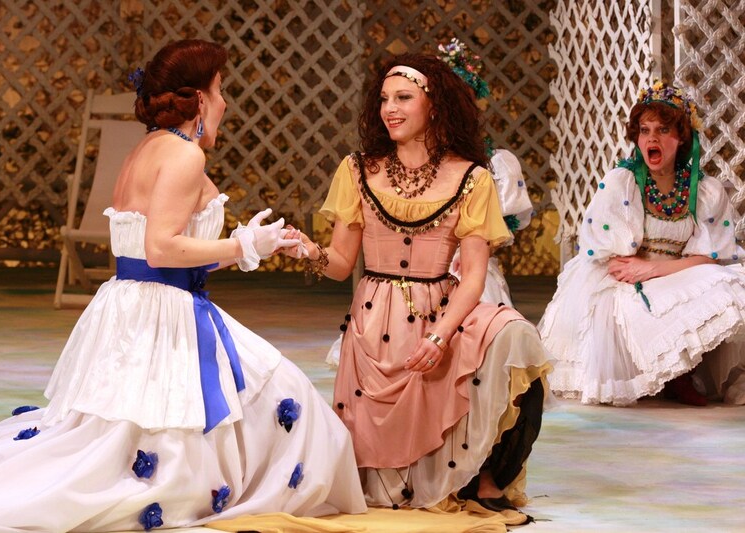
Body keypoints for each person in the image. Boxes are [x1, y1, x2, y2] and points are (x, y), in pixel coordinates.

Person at [0, 39, 366, 532]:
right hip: (161, 317)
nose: (226, 102)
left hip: (138, 305)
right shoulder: (184, 155)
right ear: (201, 99)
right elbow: (161, 249)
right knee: (270, 406)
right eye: (221, 90)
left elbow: (163, 256)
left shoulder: (147, 147)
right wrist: (241, 244)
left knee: (150, 428)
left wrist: (254, 245)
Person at [295, 52, 552, 521]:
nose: (389, 109)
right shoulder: (357, 170)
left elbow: (473, 277)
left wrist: (440, 336)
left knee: (516, 336)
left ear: (434, 106)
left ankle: (485, 478)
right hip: (374, 321)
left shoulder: (471, 178)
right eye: (384, 99)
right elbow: (340, 264)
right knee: (383, 484)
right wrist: (309, 252)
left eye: (403, 98)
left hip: (440, 311)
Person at [538, 81, 745, 407]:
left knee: (728, 283)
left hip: (672, 271)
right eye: (645, 130)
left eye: (663, 130)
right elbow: (617, 262)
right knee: (628, 303)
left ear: (681, 137)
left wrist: (654, 269)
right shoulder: (622, 183)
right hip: (624, 276)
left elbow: (710, 257)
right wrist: (643, 270)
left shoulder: (704, 191)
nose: (652, 138)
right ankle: (662, 373)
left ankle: (681, 372)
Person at [438, 38, 534, 307]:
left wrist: (475, 252)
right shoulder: (416, 161)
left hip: (472, 262)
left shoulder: (495, 163)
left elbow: (507, 223)